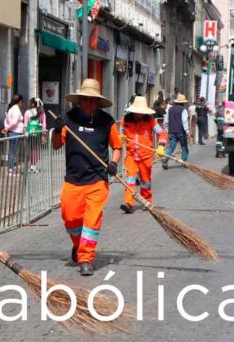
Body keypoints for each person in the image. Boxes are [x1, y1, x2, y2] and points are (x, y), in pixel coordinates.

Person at [51, 79, 122, 276]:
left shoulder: (106, 122)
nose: (88, 104)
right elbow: (56, 145)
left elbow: (117, 147)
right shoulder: (69, 119)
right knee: (70, 218)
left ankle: (85, 258)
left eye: (92, 100)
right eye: (85, 100)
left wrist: (114, 163)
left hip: (97, 180)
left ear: (98, 102)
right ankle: (78, 245)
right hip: (73, 180)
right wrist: (57, 130)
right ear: (79, 100)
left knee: (91, 221)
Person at [118, 96, 167, 214]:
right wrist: (120, 138)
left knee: (145, 182)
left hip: (145, 157)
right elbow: (119, 135)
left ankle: (146, 201)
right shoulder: (125, 119)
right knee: (130, 179)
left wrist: (161, 146)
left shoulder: (150, 120)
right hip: (131, 156)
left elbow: (162, 134)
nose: (139, 114)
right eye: (137, 111)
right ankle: (128, 203)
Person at [162, 94, 190, 170]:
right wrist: (187, 131)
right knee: (184, 146)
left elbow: (165, 120)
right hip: (181, 131)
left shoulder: (170, 109)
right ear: (183, 103)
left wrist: (166, 129)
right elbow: (184, 121)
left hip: (171, 131)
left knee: (172, 146)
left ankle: (166, 157)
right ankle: (184, 161)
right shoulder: (183, 110)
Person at [2, 94, 24, 175]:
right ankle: (10, 169)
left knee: (12, 151)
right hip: (15, 132)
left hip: (13, 132)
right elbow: (14, 122)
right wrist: (7, 128)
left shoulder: (11, 109)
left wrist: (7, 128)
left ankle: (11, 169)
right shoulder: (16, 109)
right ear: (20, 102)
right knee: (12, 152)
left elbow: (6, 120)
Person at [24, 98, 47, 173]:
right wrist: (44, 135)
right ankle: (33, 166)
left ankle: (29, 166)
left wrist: (24, 133)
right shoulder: (41, 113)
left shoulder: (27, 112)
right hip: (38, 134)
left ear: (31, 104)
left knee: (29, 150)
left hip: (29, 134)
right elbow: (44, 125)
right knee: (36, 150)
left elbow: (25, 124)